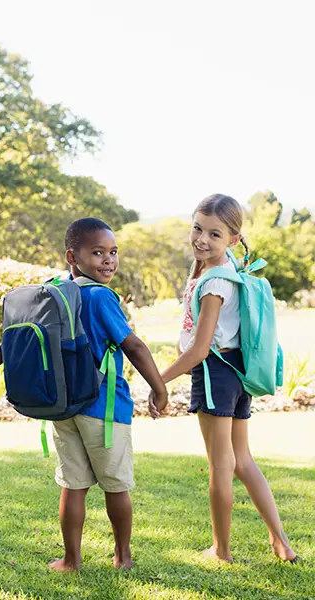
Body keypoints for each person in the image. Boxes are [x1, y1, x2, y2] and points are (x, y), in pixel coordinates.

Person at [0, 217, 168, 571]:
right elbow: (133, 346)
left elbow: (11, 342)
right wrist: (159, 389)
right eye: (97, 252)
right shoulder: (100, 297)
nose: (108, 260)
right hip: (104, 407)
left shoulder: (53, 293)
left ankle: (71, 559)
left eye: (113, 252)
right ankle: (122, 557)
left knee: (73, 484)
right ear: (73, 256)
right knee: (115, 485)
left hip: (63, 405)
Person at [153, 194, 296, 563]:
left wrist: (159, 380)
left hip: (216, 372)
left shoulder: (215, 283)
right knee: (243, 461)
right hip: (235, 370)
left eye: (214, 234)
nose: (202, 239)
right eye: (197, 228)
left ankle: (221, 550)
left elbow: (199, 350)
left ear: (232, 240)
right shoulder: (226, 267)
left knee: (222, 465)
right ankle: (280, 542)